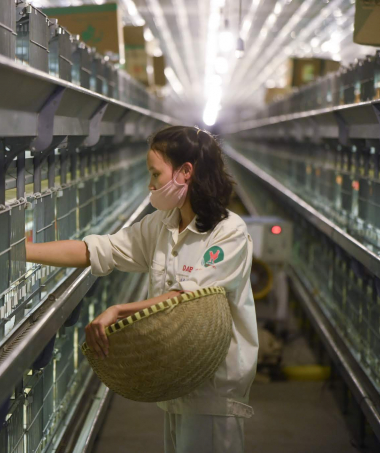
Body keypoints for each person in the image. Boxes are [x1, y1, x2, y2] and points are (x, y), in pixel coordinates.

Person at [25, 126, 258, 453]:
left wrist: (119, 310)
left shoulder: (228, 232)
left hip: (212, 390)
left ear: (185, 172)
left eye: (155, 174)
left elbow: (189, 300)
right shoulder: (162, 224)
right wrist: (24, 252)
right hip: (177, 382)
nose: (150, 185)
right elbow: (98, 250)